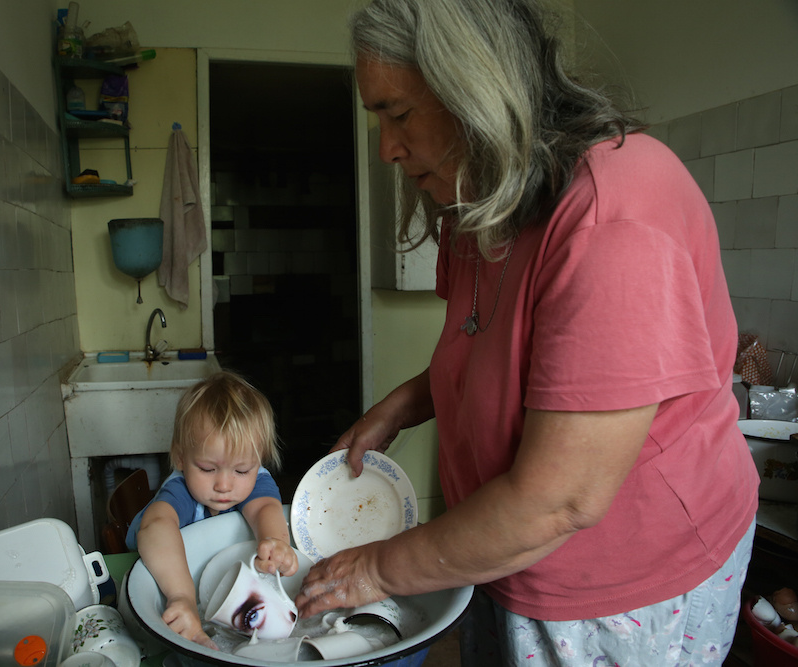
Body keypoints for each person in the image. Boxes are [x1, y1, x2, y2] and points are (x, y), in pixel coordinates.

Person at [294, 0, 759, 664]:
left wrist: (376, 568)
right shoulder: (480, 199)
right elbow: (498, 351)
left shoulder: (612, 216)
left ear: (475, 89)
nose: (387, 148)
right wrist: (403, 404)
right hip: (501, 557)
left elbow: (559, 500)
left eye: (398, 114)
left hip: (622, 587)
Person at [128, 370, 298, 648]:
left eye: (241, 470)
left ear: (258, 462)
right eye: (207, 469)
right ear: (181, 457)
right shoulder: (182, 490)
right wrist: (182, 597)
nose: (224, 485)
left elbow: (265, 508)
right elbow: (155, 526)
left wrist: (276, 543)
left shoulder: (254, 481)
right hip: (164, 572)